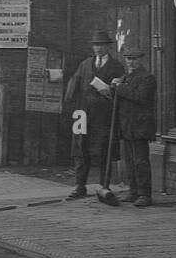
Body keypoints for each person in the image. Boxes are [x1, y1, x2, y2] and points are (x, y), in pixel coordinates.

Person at [64, 29, 124, 198]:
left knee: (105, 148)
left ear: (108, 47)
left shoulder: (116, 67)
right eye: (96, 45)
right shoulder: (85, 64)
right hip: (81, 113)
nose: (98, 48)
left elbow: (121, 91)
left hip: (103, 115)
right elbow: (73, 84)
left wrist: (112, 90)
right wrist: (71, 106)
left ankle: (104, 186)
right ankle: (79, 185)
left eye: (102, 45)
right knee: (79, 148)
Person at [111, 45, 156, 207]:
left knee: (140, 162)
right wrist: (112, 87)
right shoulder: (126, 77)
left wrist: (120, 88)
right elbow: (121, 97)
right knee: (129, 161)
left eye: (134, 59)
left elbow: (141, 97)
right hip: (127, 126)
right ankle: (133, 191)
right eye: (128, 59)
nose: (131, 62)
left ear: (140, 60)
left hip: (140, 126)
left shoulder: (147, 77)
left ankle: (145, 194)